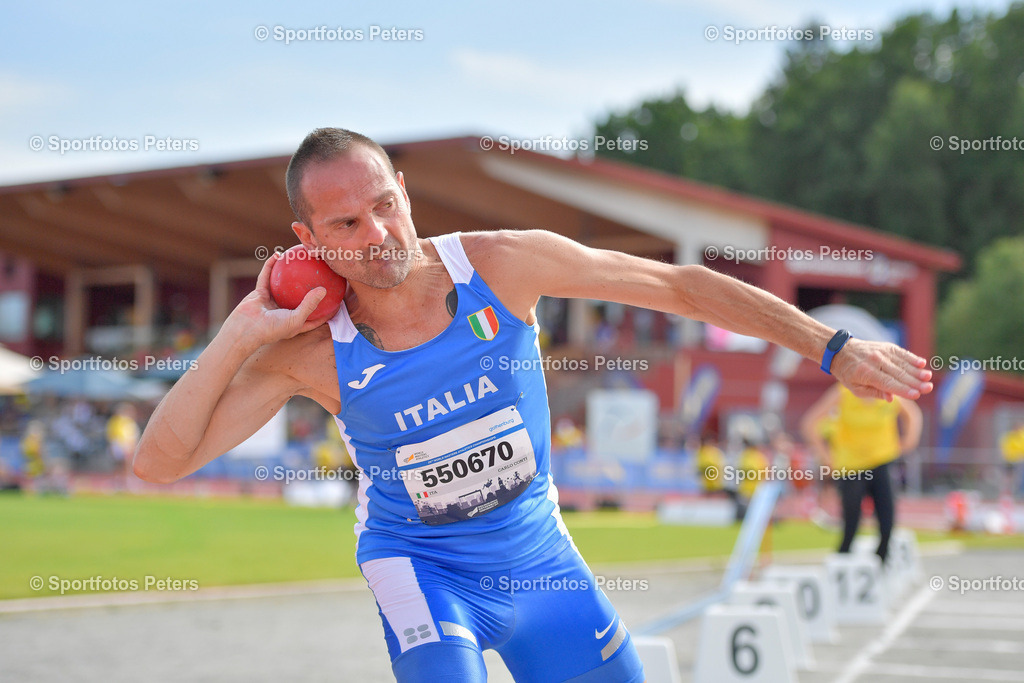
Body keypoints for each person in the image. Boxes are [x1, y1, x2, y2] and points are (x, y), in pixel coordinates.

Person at [133, 128, 933, 682]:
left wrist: (834, 348)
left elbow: (680, 286)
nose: (379, 231)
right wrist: (239, 332)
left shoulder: (502, 266)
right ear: (307, 238)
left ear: (404, 190)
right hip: (421, 566)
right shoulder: (310, 349)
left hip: (540, 564)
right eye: (346, 222)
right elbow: (159, 462)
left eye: (385, 203)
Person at [801, 383, 923, 564]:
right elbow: (809, 424)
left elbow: (913, 414)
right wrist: (825, 456)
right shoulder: (842, 393)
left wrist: (908, 441)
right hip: (852, 467)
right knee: (851, 519)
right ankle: (843, 558)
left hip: (882, 461)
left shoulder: (888, 393)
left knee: (887, 516)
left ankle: (882, 559)